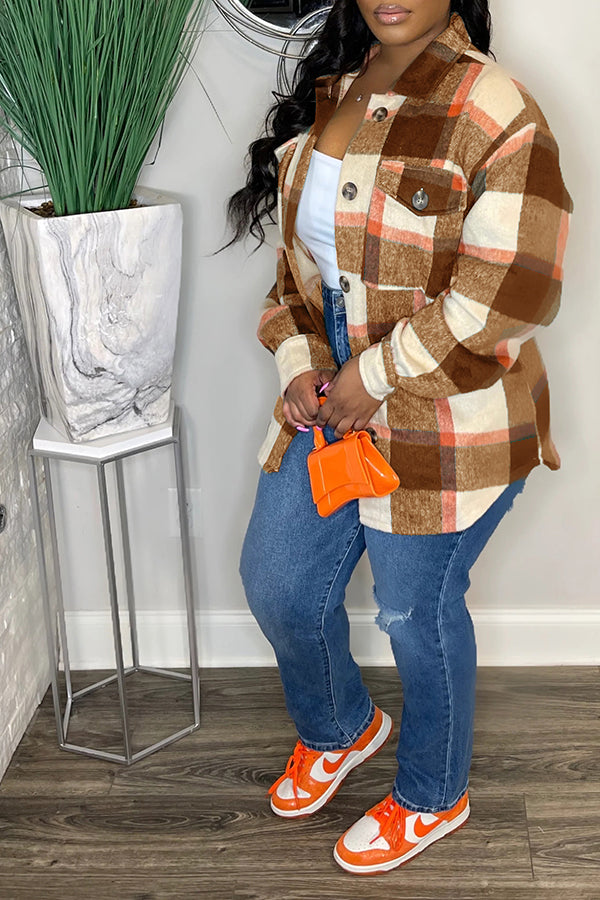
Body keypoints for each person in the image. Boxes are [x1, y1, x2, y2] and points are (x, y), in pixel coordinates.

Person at [222, 0, 572, 876]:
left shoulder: (494, 108)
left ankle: (432, 793)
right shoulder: (333, 90)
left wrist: (372, 376)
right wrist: (301, 363)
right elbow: (299, 277)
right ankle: (342, 728)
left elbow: (513, 290)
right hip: (330, 404)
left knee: (416, 611)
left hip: (448, 418)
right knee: (278, 582)